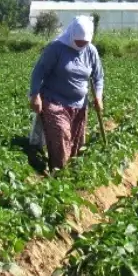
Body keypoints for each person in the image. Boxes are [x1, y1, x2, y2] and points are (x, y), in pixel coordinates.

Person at [29, 15, 105, 170]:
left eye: (85, 42)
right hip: (54, 101)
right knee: (61, 136)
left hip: (79, 105)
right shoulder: (56, 48)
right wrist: (35, 94)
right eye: (79, 41)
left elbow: (98, 77)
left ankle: (67, 174)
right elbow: (39, 71)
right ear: (71, 35)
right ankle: (58, 173)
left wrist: (98, 96)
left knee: (75, 144)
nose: (81, 44)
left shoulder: (91, 51)